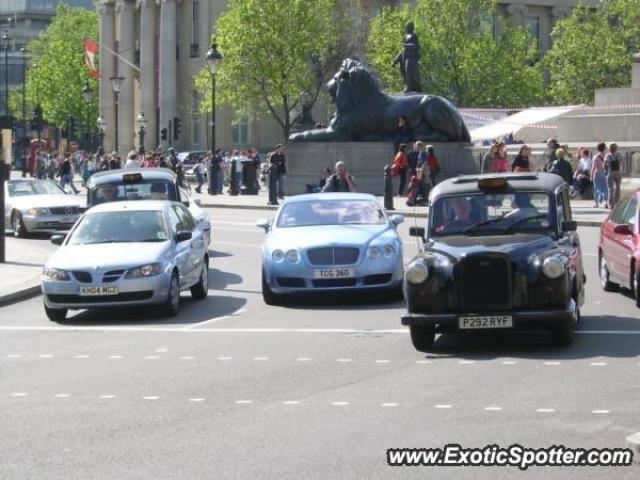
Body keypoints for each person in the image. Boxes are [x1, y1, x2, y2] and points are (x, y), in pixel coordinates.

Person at [605, 142, 623, 209]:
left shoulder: (607, 156)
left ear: (609, 148)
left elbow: (605, 164)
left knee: (610, 189)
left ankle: (611, 204)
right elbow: (622, 163)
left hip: (610, 172)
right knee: (618, 188)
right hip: (618, 172)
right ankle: (617, 203)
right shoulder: (619, 155)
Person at [591, 142, 608, 208]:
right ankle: (606, 202)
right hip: (604, 173)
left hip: (597, 173)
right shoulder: (607, 156)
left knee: (596, 188)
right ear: (604, 148)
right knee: (605, 188)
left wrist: (591, 175)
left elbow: (593, 167)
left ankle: (596, 203)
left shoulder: (595, 157)